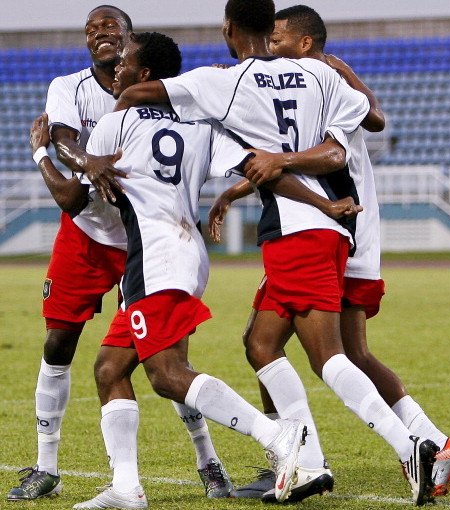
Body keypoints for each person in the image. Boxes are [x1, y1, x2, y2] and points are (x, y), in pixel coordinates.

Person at [111, 0, 443, 506]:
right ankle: (306, 462)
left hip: (298, 228)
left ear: (228, 27)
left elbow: (139, 90)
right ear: (272, 27)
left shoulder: (226, 82)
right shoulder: (318, 73)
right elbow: (362, 127)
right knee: (260, 342)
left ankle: (410, 445)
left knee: (329, 355)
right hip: (322, 226)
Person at [29, 32, 311, 509]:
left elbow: (74, 198)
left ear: (144, 77)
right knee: (110, 368)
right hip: (184, 250)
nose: (116, 69)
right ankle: (126, 487)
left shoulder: (116, 122)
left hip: (153, 257)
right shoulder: (200, 123)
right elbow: (257, 166)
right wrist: (324, 201)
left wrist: (41, 151)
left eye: (126, 64)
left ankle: (278, 436)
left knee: (166, 374)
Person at [210, 5, 450, 502]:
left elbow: (365, 123)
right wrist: (234, 191)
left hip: (335, 225)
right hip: (341, 224)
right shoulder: (299, 78)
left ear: (306, 44)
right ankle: (433, 443)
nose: (272, 45)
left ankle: (312, 456)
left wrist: (335, 67)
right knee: (305, 345)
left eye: (281, 38)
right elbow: (302, 149)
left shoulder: (316, 75)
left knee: (305, 348)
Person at [7, 6, 234, 502]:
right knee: (58, 344)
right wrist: (88, 161)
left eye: (108, 27)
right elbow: (64, 140)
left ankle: (208, 462)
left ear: (130, 41)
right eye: (90, 30)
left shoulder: (161, 91)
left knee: (167, 354)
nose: (98, 35)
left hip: (144, 239)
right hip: (86, 235)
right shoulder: (69, 87)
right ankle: (47, 466)